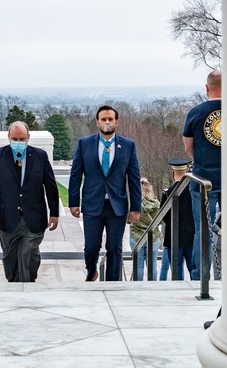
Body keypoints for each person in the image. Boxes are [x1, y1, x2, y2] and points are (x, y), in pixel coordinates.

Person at [68, 105, 142, 281]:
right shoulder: (84, 144)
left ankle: (113, 283)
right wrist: (73, 202)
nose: (107, 122)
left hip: (117, 205)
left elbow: (133, 178)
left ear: (116, 122)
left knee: (114, 247)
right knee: (91, 247)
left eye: (110, 119)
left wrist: (135, 207)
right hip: (93, 203)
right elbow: (76, 175)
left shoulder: (128, 146)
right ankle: (91, 271)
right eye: (103, 119)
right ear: (97, 122)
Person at [0, 121, 59, 282]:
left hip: (33, 216)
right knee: (9, 256)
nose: (18, 142)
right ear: (9, 138)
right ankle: (14, 283)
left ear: (28, 137)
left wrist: (54, 213)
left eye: (22, 138)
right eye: (15, 139)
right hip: (7, 216)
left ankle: (26, 286)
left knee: (29, 254)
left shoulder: (40, 156)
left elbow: (50, 185)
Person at [183, 70, 222, 282]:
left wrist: (200, 160)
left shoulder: (196, 113)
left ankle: (200, 278)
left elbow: (188, 147)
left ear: (206, 88)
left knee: (203, 232)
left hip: (203, 178)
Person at [159, 159, 197, 281]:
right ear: (186, 171)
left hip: (173, 236)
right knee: (193, 268)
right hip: (191, 235)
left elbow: (163, 215)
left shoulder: (168, 192)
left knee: (176, 270)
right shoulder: (194, 192)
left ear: (172, 172)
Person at [130, 178, 161, 280]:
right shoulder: (156, 203)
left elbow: (128, 220)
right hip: (153, 237)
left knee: (138, 265)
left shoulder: (134, 205)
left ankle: (138, 287)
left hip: (136, 237)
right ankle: (152, 287)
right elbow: (160, 221)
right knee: (152, 265)